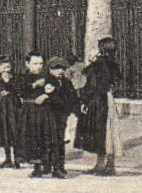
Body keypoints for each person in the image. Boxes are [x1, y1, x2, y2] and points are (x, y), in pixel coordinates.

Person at [75, 37, 124, 176]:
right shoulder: (111, 63)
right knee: (109, 130)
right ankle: (108, 164)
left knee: (101, 131)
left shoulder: (98, 65)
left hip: (97, 99)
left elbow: (91, 85)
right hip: (107, 98)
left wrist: (83, 99)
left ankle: (102, 164)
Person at [31, 56, 78, 179]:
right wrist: (48, 97)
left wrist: (75, 109)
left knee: (59, 141)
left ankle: (59, 167)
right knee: (46, 141)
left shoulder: (67, 82)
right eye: (56, 68)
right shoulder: (46, 81)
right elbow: (38, 98)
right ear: (50, 69)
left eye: (62, 68)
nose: (60, 71)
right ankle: (43, 167)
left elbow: (72, 98)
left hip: (61, 116)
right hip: (47, 116)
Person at [16, 51, 51, 173]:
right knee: (30, 136)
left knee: (43, 135)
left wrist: (46, 95)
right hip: (28, 110)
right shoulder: (23, 77)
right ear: (27, 64)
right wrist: (35, 85)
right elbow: (19, 89)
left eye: (41, 63)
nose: (39, 66)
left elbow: (54, 90)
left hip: (43, 110)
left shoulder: (47, 76)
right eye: (35, 63)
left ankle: (46, 164)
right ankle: (35, 165)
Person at [0, 55, 22, 169]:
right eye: (4, 67)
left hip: (13, 109)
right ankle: (7, 158)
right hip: (0, 110)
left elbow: (19, 90)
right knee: (4, 132)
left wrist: (8, 82)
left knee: (14, 131)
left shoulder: (14, 78)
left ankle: (17, 159)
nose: (7, 70)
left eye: (8, 67)